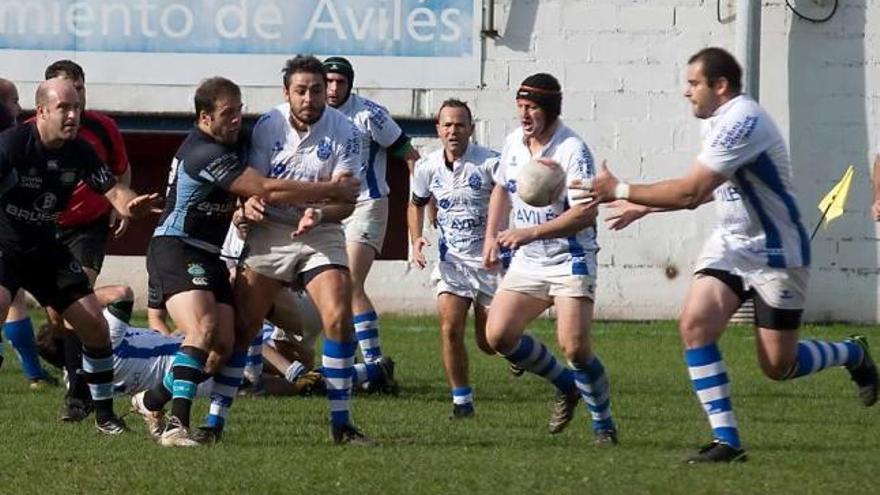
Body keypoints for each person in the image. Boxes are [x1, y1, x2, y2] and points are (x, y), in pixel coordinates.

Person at [574, 47, 878, 463]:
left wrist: (622, 190)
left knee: (779, 365)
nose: (686, 92)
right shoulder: (719, 121)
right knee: (695, 324)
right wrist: (649, 205)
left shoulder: (743, 120)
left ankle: (852, 352)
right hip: (732, 246)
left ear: (720, 86)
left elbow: (692, 190)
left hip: (777, 250)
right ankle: (727, 440)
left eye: (694, 83)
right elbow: (707, 187)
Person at [128, 76, 359, 447]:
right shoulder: (204, 151)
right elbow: (265, 187)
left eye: (240, 110)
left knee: (223, 347)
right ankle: (176, 426)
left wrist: (245, 203)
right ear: (205, 118)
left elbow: (255, 188)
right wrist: (330, 189)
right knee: (202, 328)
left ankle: (151, 400)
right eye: (227, 113)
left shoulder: (240, 139)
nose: (237, 119)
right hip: (176, 247)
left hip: (208, 252)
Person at [0, 78, 160, 434]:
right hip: (4, 246)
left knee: (95, 326)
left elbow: (114, 190)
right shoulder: (13, 144)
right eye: (64, 108)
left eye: (77, 108)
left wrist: (130, 206)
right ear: (41, 111)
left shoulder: (80, 150)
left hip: (45, 248)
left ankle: (104, 415)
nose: (73, 115)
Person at [232, 55, 372, 445]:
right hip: (271, 230)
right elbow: (259, 187)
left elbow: (347, 203)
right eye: (301, 90)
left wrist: (319, 211)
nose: (309, 98)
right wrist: (251, 205)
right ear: (286, 93)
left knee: (339, 317)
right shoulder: (267, 126)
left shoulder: (345, 131)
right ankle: (214, 421)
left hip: (320, 231)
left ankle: (341, 425)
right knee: (243, 327)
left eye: (316, 90)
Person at [482, 73, 618, 445]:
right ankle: (566, 386)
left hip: (569, 258)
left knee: (574, 346)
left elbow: (585, 214)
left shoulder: (572, 149)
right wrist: (492, 236)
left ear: (550, 109)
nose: (524, 115)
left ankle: (603, 425)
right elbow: (501, 189)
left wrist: (528, 233)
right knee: (498, 335)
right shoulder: (514, 142)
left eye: (533, 108)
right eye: (521, 107)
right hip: (529, 260)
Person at [28, 60, 137, 420]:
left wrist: (120, 205)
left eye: (80, 91)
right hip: (44, 229)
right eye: (66, 96)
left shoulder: (102, 128)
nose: (75, 104)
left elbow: (120, 170)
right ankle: (73, 362)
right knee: (58, 317)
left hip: (87, 229)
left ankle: (78, 395)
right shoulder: (28, 135)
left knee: (77, 300)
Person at [324, 56, 419, 372]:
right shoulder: (315, 115)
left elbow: (409, 154)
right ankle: (350, 361)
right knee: (334, 285)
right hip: (332, 207)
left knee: (350, 282)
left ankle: (376, 364)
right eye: (329, 81)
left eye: (340, 81)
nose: (334, 87)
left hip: (368, 203)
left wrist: (420, 199)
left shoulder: (369, 114)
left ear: (350, 83)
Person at [408, 99, 499, 418]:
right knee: (449, 329)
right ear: (438, 130)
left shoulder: (491, 163)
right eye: (447, 124)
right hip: (452, 265)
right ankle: (462, 402)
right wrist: (416, 239)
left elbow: (517, 194)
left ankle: (514, 348)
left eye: (460, 124)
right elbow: (415, 204)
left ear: (471, 129)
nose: (453, 130)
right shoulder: (427, 166)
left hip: (490, 264)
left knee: (490, 343)